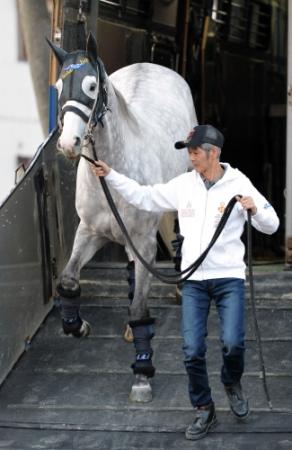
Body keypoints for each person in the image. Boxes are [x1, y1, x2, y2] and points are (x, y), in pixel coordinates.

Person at [90, 124, 279, 440]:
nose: (191, 157)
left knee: (233, 343)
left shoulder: (239, 182)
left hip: (228, 277)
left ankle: (231, 382)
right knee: (192, 350)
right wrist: (111, 175)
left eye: (195, 152)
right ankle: (204, 408)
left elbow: (271, 225)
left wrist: (254, 208)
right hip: (193, 280)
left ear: (213, 153)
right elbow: (145, 196)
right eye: (189, 152)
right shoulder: (184, 185)